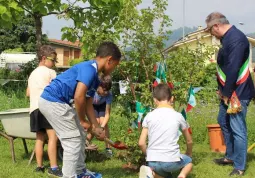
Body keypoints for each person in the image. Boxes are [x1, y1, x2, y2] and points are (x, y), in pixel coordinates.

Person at [38, 42, 121, 178]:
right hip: (53, 101)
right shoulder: (89, 69)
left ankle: (80, 171)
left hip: (59, 102)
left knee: (81, 135)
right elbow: (79, 96)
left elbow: (88, 101)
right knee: (72, 139)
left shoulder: (94, 76)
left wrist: (95, 126)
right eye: (115, 65)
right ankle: (69, 175)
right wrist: (82, 120)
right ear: (109, 60)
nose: (114, 69)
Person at [205, 12, 255, 176]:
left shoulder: (236, 39)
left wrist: (226, 93)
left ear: (216, 26)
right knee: (223, 120)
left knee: (237, 127)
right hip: (228, 91)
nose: (212, 34)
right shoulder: (227, 38)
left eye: (211, 31)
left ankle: (239, 167)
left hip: (237, 93)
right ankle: (231, 156)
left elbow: (233, 69)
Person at [138, 84, 193, 178]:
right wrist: (188, 153)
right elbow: (189, 141)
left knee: (165, 174)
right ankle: (182, 176)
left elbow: (141, 143)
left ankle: (151, 173)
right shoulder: (178, 116)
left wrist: (149, 155)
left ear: (155, 100)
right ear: (172, 99)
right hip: (171, 161)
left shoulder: (148, 116)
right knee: (189, 162)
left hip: (153, 162)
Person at [26, 45, 62, 177]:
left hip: (34, 109)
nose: (54, 63)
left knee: (40, 138)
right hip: (46, 106)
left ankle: (39, 166)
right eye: (53, 60)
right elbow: (56, 90)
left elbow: (28, 93)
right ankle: (53, 168)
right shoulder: (50, 72)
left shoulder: (32, 74)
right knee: (53, 137)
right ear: (43, 58)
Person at [86, 75, 114, 157]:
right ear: (99, 86)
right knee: (95, 124)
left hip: (102, 106)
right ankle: (86, 143)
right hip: (92, 106)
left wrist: (102, 127)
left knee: (103, 124)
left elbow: (107, 114)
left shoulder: (109, 94)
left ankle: (108, 149)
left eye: (108, 90)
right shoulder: (92, 90)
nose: (106, 93)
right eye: (104, 90)